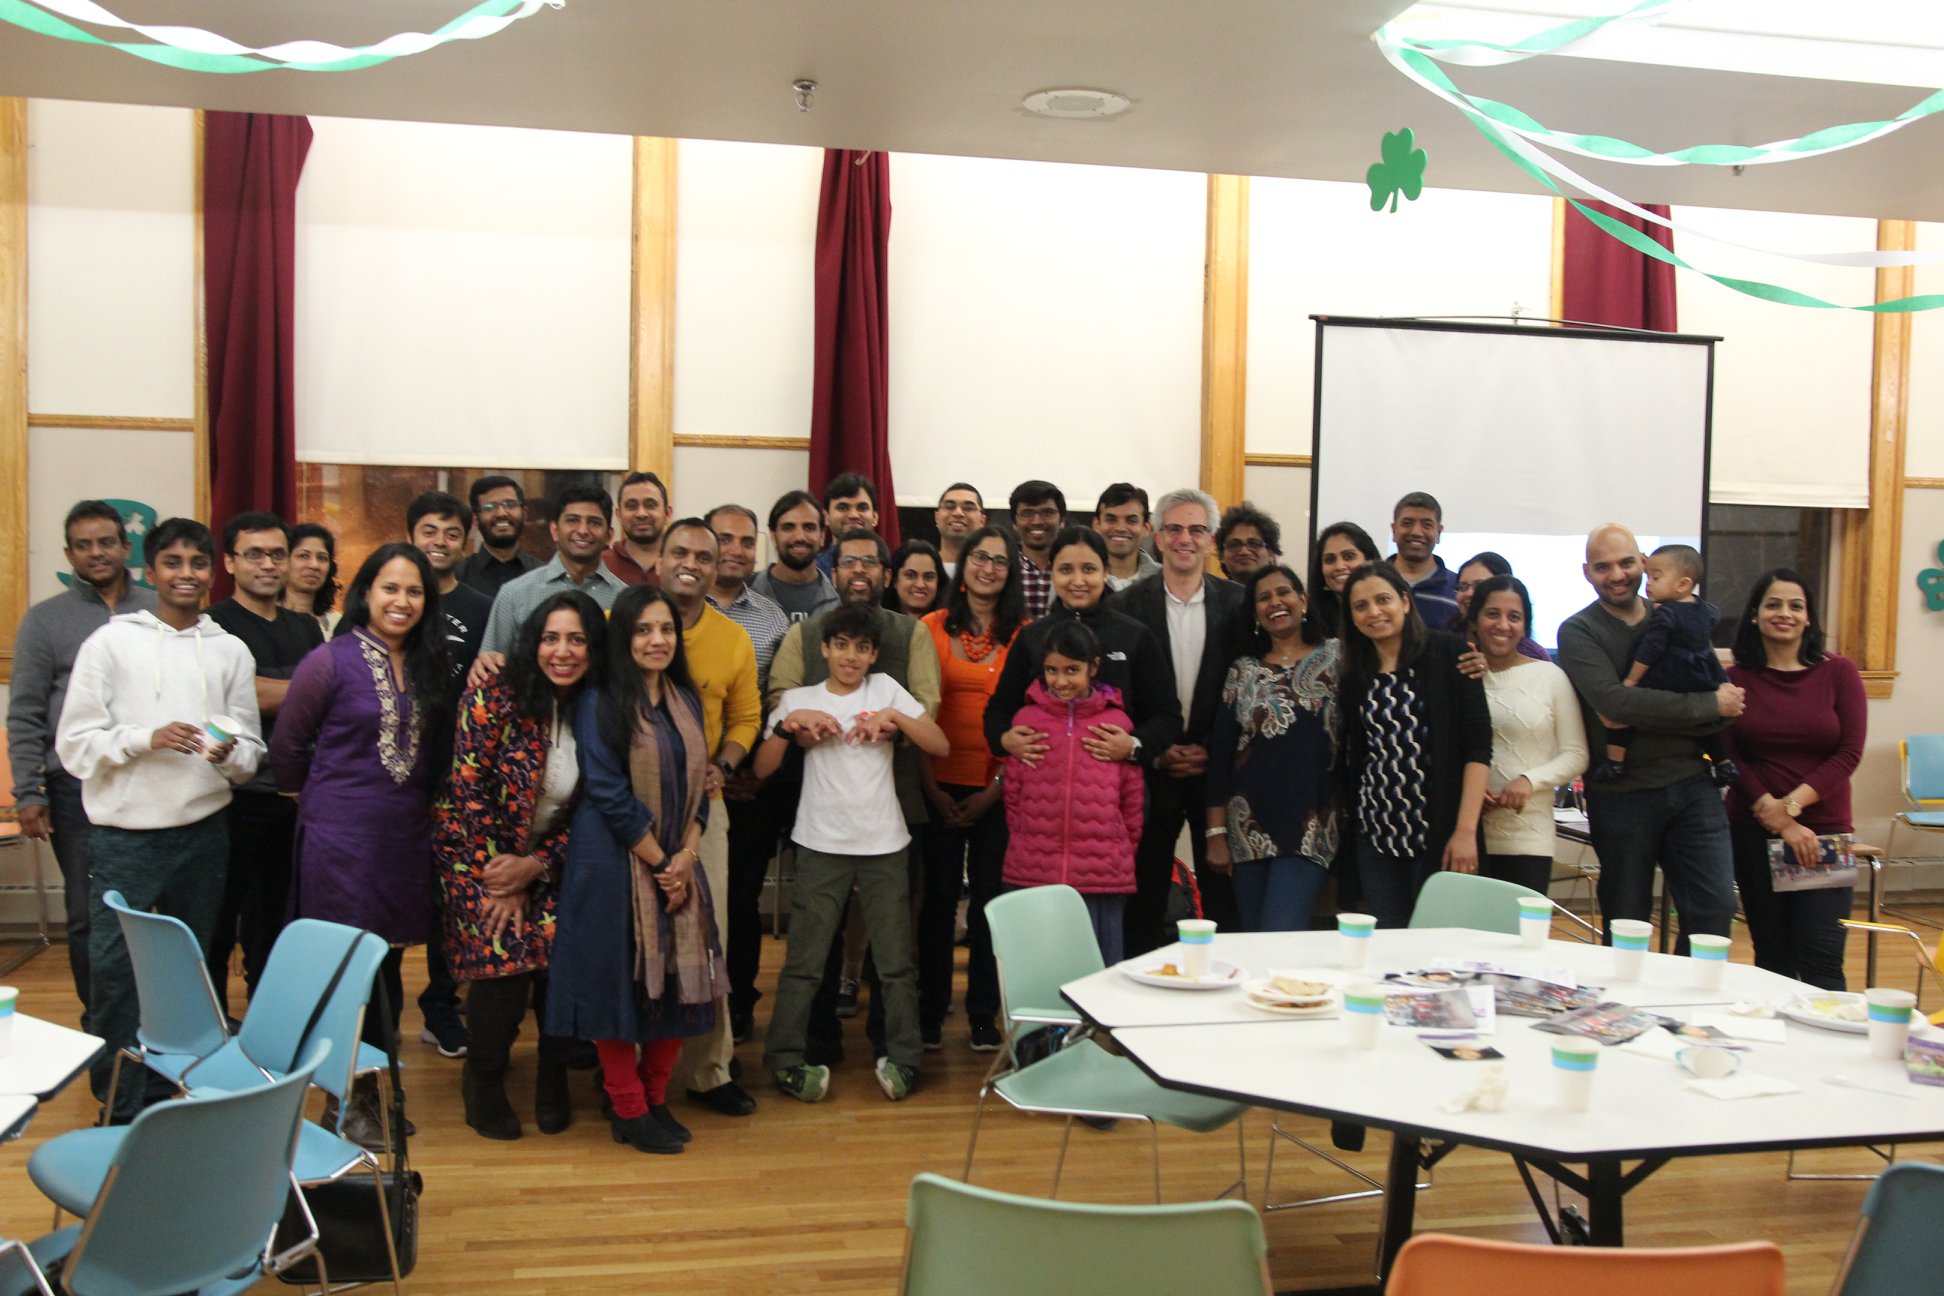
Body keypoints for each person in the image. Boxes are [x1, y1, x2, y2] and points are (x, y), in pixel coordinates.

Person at [56, 517, 262, 1121]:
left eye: (198, 563)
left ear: (212, 571)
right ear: (150, 571)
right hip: (125, 839)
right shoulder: (110, 644)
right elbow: (75, 746)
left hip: (204, 836)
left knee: (189, 970)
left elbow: (250, 754)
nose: (186, 575)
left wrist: (232, 754)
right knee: (117, 973)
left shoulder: (229, 650)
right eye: (172, 563)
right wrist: (146, 738)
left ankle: (174, 1090)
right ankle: (118, 1102)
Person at [271, 542, 451, 1142]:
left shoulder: (431, 666)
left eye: (414, 591)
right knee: (346, 972)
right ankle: (343, 1103)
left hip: (404, 835)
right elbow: (287, 749)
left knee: (389, 969)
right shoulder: (329, 661)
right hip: (339, 838)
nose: (401, 601)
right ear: (366, 593)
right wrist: (321, 807)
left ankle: (375, 1095)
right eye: (390, 588)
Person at [546, 585, 722, 1154]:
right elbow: (606, 790)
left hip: (676, 860)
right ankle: (626, 1108)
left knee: (677, 985)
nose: (656, 640)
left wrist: (686, 856)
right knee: (615, 990)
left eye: (666, 629)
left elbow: (701, 787)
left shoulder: (685, 698)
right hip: (612, 864)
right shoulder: (601, 699)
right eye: (643, 629)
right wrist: (662, 861)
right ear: (624, 637)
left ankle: (654, 1096)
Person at [756, 604, 951, 1104]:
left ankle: (904, 1058)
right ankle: (785, 1058)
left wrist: (896, 717)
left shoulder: (886, 688)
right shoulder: (799, 697)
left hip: (886, 843)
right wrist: (787, 726)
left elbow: (940, 744)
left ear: (873, 654)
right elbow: (761, 770)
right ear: (824, 649)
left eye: (861, 648)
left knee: (895, 963)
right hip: (820, 843)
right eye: (841, 645)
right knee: (805, 961)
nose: (850, 656)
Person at [433, 590, 605, 1139]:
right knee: (503, 955)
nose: (563, 651)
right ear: (532, 643)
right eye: (551, 638)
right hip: (474, 852)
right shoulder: (494, 694)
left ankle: (552, 1073)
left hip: (555, 860)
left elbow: (598, 808)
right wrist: (501, 878)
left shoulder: (603, 710)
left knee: (560, 953)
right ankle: (483, 1076)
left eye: (576, 639)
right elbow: (466, 787)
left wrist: (537, 866)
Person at [1555, 524, 1742, 949]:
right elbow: (1614, 705)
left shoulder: (1680, 614)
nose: (1617, 575)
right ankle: (1625, 1013)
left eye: (1626, 563)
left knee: (1714, 908)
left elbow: (1709, 693)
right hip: (1622, 795)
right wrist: (1705, 707)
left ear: (1643, 563)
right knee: (1626, 922)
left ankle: (1685, 1002)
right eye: (1603, 567)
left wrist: (1697, 705)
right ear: (1587, 573)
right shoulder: (1578, 631)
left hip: (1694, 785)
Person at [8, 500, 157, 1026]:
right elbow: (24, 713)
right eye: (84, 545)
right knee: (85, 911)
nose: (97, 552)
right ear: (69, 552)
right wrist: (29, 792)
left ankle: (151, 1016)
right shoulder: (45, 620)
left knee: (146, 908)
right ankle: (101, 1018)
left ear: (125, 547)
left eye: (106, 542)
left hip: (148, 780)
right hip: (74, 785)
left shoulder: (157, 609)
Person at [656, 519, 762, 1119]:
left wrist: (725, 762)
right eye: (680, 552)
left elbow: (746, 715)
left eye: (703, 554)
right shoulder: (624, 625)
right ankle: (630, 1063)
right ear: (659, 560)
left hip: (705, 810)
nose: (690, 563)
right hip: (631, 810)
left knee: (707, 936)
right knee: (636, 936)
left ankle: (709, 1068)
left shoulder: (732, 639)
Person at [1112, 488, 1247, 948]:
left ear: (1210, 539)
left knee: (1223, 890)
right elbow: (1120, 694)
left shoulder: (1241, 605)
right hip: (1153, 768)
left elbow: (1246, 691)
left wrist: (1210, 747)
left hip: (1218, 772)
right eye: (1174, 528)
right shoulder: (1126, 606)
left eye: (1196, 529)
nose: (1184, 538)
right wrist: (1156, 748)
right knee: (1144, 890)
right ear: (1156, 536)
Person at [1722, 570, 1865, 991]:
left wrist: (1790, 810)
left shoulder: (1840, 673)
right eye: (1773, 604)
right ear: (1754, 615)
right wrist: (1779, 820)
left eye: (1795, 606)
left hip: (1823, 835)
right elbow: (1730, 755)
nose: (1784, 613)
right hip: (1754, 830)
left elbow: (1849, 753)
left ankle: (1830, 1054)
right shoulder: (1736, 679)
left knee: (1821, 955)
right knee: (1772, 956)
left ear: (1808, 619)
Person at [204, 511, 323, 1010]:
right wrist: (307, 689)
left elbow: (319, 700)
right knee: (219, 917)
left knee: (276, 920)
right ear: (230, 562)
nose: (269, 564)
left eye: (279, 553)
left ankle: (267, 1020)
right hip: (232, 797)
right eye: (255, 554)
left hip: (295, 796)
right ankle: (208, 1024)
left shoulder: (306, 628)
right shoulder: (214, 625)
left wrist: (268, 693)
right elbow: (228, 700)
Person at [917, 524, 1025, 1053]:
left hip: (1000, 791)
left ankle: (983, 1011)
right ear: (965, 567)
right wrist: (930, 789)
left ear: (1011, 574)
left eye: (1000, 561)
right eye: (980, 557)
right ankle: (930, 1009)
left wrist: (994, 790)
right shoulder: (931, 627)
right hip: (935, 784)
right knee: (936, 903)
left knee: (990, 904)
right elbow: (917, 711)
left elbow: (1029, 719)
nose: (988, 568)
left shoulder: (1026, 634)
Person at [1336, 562, 1491, 927]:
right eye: (1361, 606)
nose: (1374, 612)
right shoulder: (1355, 673)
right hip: (1376, 833)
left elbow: (1477, 747)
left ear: (1405, 601)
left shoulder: (1451, 654)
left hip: (1440, 830)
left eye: (1383, 599)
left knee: (1438, 948)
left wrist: (1466, 831)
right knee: (1390, 946)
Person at [983, 527, 1182, 778]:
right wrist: (1005, 739)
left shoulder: (1135, 635)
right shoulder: (1031, 636)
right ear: (1052, 572)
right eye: (1066, 570)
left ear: (1105, 571)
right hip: (1043, 788)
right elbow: (998, 710)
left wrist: (1133, 745)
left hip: (1117, 791)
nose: (1078, 581)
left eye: (1089, 569)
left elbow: (1167, 716)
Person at [1204, 564, 1339, 932]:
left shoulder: (1337, 658)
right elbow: (1221, 755)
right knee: (1251, 941)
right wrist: (1215, 834)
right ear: (1254, 614)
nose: (1275, 602)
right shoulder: (1242, 670)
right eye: (1264, 598)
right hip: (1247, 828)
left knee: (1279, 935)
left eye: (1284, 593)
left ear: (1303, 600)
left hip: (1310, 827)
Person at [407, 489, 494, 1057]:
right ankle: (369, 1015)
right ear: (411, 535)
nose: (440, 543)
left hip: (458, 779)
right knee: (391, 897)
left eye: (451, 534)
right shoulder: (390, 596)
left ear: (467, 542)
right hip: (392, 779)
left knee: (451, 901)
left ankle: (441, 1006)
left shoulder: (483, 607)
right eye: (429, 531)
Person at [1000, 620, 1144, 963]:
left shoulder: (1117, 725)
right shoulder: (1027, 720)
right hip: (1035, 869)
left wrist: (1118, 850)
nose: (1061, 681)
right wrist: (1026, 840)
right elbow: (1013, 795)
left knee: (1098, 969)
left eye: (1072, 670)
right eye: (1052, 670)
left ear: (1094, 667)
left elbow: (1132, 802)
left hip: (1102, 874)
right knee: (1042, 966)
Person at [704, 503, 792, 1044]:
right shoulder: (673, 607)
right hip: (686, 781)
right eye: (724, 539)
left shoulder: (771, 616)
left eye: (744, 540)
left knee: (741, 900)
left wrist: (747, 767)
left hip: (750, 780)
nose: (735, 550)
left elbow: (774, 699)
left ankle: (738, 1004)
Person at [1466, 575, 1587, 896]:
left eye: (1514, 617)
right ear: (1475, 619)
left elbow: (1577, 754)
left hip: (1528, 835)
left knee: (1520, 940)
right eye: (1492, 614)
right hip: (1467, 834)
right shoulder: (1462, 675)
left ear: (1525, 625)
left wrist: (1529, 781)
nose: (1502, 625)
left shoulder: (1550, 676)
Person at [1593, 544, 1736, 787]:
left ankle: (1615, 761)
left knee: (1623, 714)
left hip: (1670, 674)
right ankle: (1723, 764)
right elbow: (1712, 615)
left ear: (1683, 585)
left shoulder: (1666, 614)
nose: (1648, 583)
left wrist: (1631, 681)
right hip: (1702, 676)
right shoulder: (1704, 609)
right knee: (1708, 726)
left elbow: (1650, 650)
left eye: (1656, 578)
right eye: (1647, 575)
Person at [480, 485, 629, 656]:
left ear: (609, 535)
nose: (582, 531)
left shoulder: (622, 599)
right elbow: (491, 667)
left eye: (594, 522)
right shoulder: (514, 595)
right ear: (555, 531)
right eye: (573, 520)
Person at [749, 490, 840, 625]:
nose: (799, 537)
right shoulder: (745, 592)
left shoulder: (840, 602)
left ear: (822, 536)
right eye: (788, 527)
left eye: (809, 527)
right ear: (773, 535)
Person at [455, 475, 541, 598]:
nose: (501, 513)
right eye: (490, 507)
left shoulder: (544, 575)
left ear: (524, 514)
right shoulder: (458, 576)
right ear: (475, 519)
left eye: (510, 504)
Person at [1454, 551, 1549, 661]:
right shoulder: (1445, 641)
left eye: (1479, 586)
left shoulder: (1534, 656)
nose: (1469, 593)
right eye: (1463, 587)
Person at [1388, 492, 1460, 631]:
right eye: (1407, 523)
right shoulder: (1373, 582)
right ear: (1393, 530)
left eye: (1427, 525)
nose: (1416, 532)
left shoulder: (1457, 590)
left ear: (1439, 533)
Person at [1307, 520, 1381, 639]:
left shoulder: (1386, 612)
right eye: (1330, 560)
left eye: (1349, 556)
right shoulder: (1312, 621)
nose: (1339, 566)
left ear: (1369, 560)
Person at [1008, 480, 1067, 618]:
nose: (1037, 521)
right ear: (1014, 523)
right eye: (1027, 513)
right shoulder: (1002, 568)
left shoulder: (1074, 569)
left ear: (1062, 520)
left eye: (1047, 513)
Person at [603, 470, 670, 587]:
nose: (641, 514)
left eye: (650, 505)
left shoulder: (682, 564)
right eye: (631, 506)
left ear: (667, 513)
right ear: (619, 515)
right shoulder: (601, 565)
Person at [1093, 483, 1159, 592]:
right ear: (1096, 524)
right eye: (1111, 519)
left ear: (1146, 528)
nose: (1120, 528)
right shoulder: (1078, 579)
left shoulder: (1165, 579)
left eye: (1131, 520)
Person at [815, 472, 882, 578]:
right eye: (842, 508)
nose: (853, 515)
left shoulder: (890, 569)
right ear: (826, 517)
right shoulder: (813, 570)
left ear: (875, 517)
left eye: (862, 508)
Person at [283, 523, 341, 638]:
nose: (314, 565)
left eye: (322, 558)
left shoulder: (339, 625)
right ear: (284, 561)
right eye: (303, 556)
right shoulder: (267, 619)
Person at [1215, 502, 1283, 586]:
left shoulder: (1285, 596)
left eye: (1254, 543)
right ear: (1222, 556)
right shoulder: (1209, 597)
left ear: (1271, 553)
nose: (1244, 551)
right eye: (1234, 545)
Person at [933, 482, 987, 580]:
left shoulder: (990, 572)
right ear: (937, 517)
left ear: (982, 521)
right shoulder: (923, 569)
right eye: (949, 506)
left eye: (968, 508)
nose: (958, 513)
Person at [884, 539, 945, 618]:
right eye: (911, 575)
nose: (920, 585)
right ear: (895, 580)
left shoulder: (952, 626)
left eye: (928, 577)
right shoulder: (876, 623)